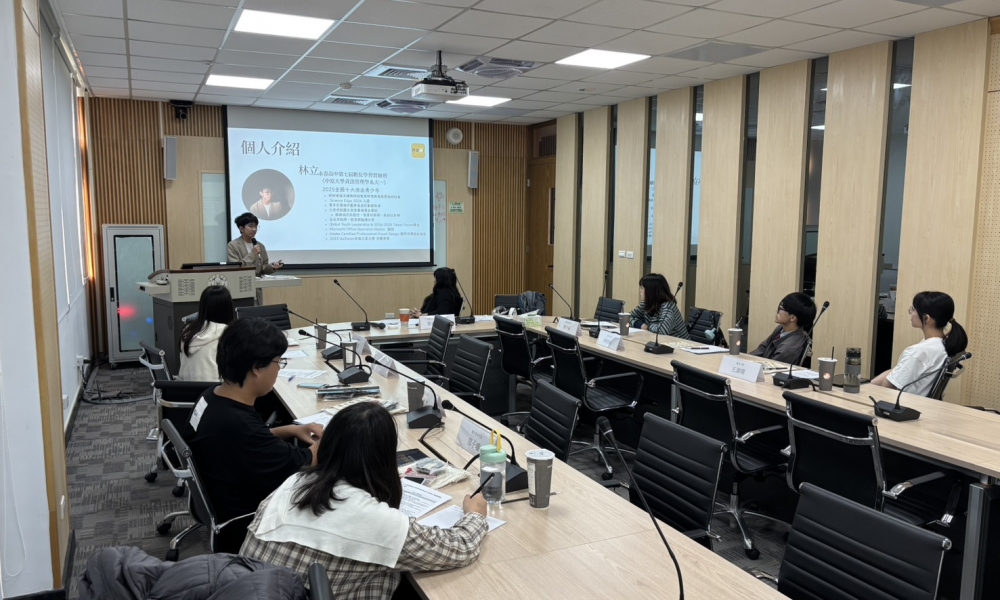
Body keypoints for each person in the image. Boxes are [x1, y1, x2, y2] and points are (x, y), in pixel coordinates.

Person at [240, 402, 488, 600]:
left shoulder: (294, 483)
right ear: (384, 459)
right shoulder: (374, 520)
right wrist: (475, 514)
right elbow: (460, 548)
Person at [183, 317, 321, 553]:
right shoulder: (238, 423)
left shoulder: (211, 397)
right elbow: (306, 461)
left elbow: (243, 441)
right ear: (256, 368)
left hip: (226, 493)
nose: (279, 369)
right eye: (278, 362)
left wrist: (290, 429)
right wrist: (335, 434)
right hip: (248, 523)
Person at [872, 291, 968, 397]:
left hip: (904, 404)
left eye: (913, 309)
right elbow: (896, 372)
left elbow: (887, 386)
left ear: (926, 318)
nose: (910, 312)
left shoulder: (920, 352)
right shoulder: (942, 344)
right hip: (919, 404)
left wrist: (869, 387)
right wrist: (871, 384)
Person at [177, 285, 234, 381]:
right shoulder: (228, 334)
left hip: (184, 389)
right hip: (213, 388)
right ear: (228, 308)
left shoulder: (188, 330)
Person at [749, 293, 816, 364]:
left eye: (780, 309)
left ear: (793, 318)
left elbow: (771, 366)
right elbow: (762, 348)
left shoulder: (788, 348)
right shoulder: (781, 328)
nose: (777, 311)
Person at [629, 273, 688, 339]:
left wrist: (647, 327)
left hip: (678, 343)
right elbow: (627, 317)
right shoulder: (646, 304)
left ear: (651, 291)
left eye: (642, 288)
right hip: (658, 341)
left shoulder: (668, 307)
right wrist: (640, 324)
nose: (640, 291)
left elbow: (662, 330)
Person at [227, 212, 283, 277]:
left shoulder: (260, 245)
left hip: (258, 282)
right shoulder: (233, 245)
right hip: (241, 280)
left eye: (256, 226)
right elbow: (236, 267)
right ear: (241, 228)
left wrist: (273, 267)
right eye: (251, 226)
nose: (254, 229)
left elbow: (263, 268)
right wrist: (253, 254)